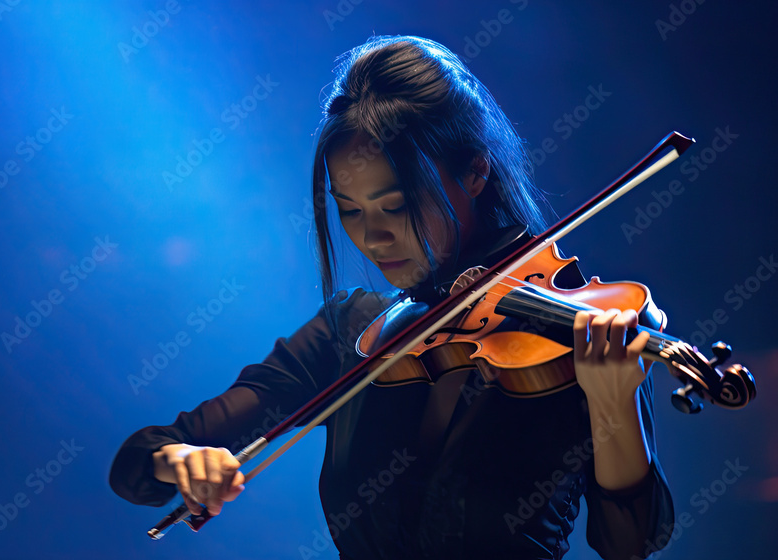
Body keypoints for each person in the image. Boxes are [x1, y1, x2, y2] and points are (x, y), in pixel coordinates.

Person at [110, 35, 673, 559]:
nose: (371, 237)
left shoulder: (571, 332)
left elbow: (628, 543)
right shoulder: (351, 332)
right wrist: (179, 461)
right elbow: (139, 461)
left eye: (396, 204)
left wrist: (614, 403)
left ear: (476, 171)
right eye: (350, 209)